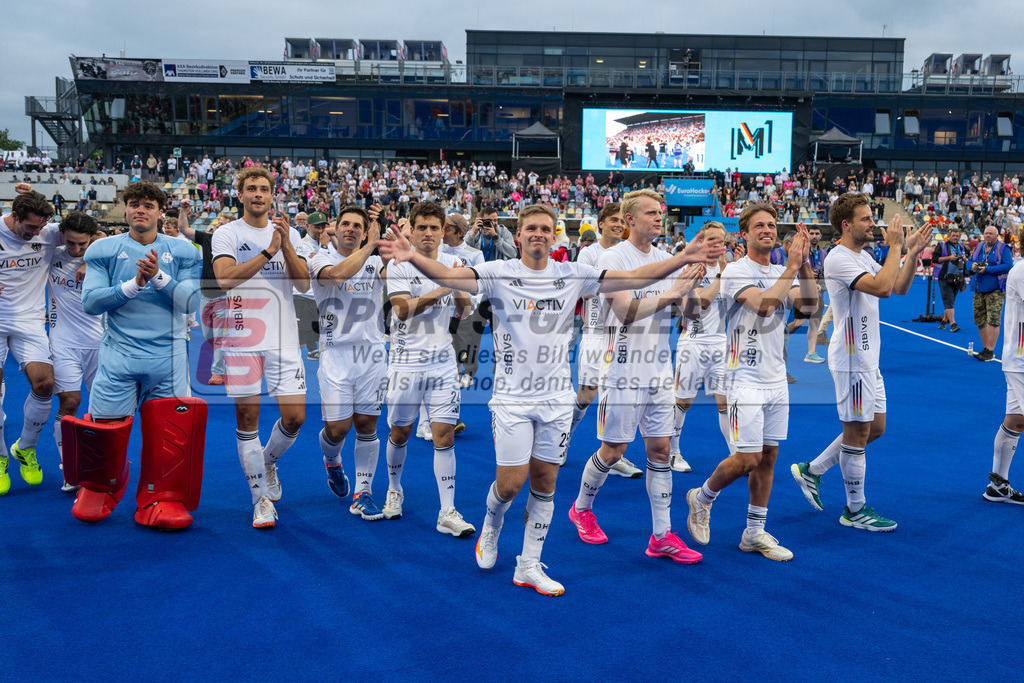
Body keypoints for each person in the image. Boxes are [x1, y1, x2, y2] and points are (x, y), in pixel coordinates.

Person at [376, 202, 723, 595]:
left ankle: (528, 564)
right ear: (519, 235)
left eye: (545, 228)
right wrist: (412, 258)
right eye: (531, 228)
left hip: (557, 399)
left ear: (554, 235)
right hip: (511, 400)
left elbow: (633, 277)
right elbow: (450, 276)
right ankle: (491, 525)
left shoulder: (572, 273)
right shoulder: (499, 271)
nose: (538, 234)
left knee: (545, 483)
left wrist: (682, 258)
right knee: (510, 485)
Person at [568, 189, 709, 564]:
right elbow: (626, 312)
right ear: (630, 219)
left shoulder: (665, 259)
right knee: (613, 452)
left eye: (660, 212)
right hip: (623, 369)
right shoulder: (613, 258)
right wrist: (674, 290)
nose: (659, 217)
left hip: (660, 370)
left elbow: (691, 313)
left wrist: (691, 287)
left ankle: (661, 535)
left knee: (661, 450)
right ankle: (581, 508)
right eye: (651, 213)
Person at [685, 203, 818, 562]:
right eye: (759, 225)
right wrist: (792, 267)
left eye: (771, 225)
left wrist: (804, 264)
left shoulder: (782, 270)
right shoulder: (735, 271)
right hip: (742, 376)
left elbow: (809, 306)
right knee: (746, 459)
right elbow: (764, 305)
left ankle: (754, 532)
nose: (767, 230)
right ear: (743, 234)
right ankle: (702, 497)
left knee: (769, 458)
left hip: (776, 378)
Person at [791, 193, 931, 532]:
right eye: (866, 218)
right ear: (846, 224)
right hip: (852, 358)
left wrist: (911, 252)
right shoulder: (839, 258)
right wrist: (895, 245)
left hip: (867, 358)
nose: (873, 223)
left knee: (875, 428)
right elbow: (882, 289)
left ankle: (812, 470)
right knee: (857, 433)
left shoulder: (863, 255)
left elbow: (898, 286)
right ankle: (854, 510)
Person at [74, 181, 204, 529]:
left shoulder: (184, 251)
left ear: (161, 212)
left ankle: (161, 496)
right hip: (119, 354)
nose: (140, 210)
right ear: (127, 209)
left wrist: (158, 277)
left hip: (168, 357)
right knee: (105, 426)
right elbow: (90, 303)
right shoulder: (103, 248)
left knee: (169, 433)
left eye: (148, 205)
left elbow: (191, 302)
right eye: (134, 204)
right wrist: (134, 285)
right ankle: (102, 486)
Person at [212, 167, 310, 529]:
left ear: (272, 196)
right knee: (247, 419)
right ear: (240, 195)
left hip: (284, 338)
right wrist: (269, 251)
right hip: (242, 338)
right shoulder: (227, 233)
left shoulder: (289, 233)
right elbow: (225, 279)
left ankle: (268, 461)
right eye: (251, 188)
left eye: (264, 189)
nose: (258, 194)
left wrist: (285, 245)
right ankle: (260, 500)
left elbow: (303, 285)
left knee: (295, 418)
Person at [383, 201, 474, 536]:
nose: (428, 233)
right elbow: (402, 310)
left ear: (443, 231)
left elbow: (464, 311)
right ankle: (394, 489)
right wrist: (444, 287)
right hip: (406, 360)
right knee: (400, 432)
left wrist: (459, 288)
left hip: (442, 361)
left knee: (444, 434)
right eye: (421, 227)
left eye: (435, 228)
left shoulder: (452, 263)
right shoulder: (399, 265)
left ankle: (447, 511)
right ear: (412, 229)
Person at [308, 204, 389, 519]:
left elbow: (396, 274)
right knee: (338, 429)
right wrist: (371, 246)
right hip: (336, 355)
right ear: (335, 227)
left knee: (367, 424)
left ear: (364, 231)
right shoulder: (320, 258)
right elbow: (336, 276)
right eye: (346, 224)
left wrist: (394, 244)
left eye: (358, 225)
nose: (351, 229)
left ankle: (363, 492)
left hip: (372, 354)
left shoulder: (376, 263)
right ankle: (332, 462)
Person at [563, 203, 640, 478]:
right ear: (601, 224)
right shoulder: (590, 252)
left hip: (622, 335)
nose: (619, 225)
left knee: (616, 395)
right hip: (595, 334)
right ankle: (563, 438)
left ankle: (612, 455)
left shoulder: (627, 253)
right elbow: (583, 290)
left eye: (622, 221)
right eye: (613, 220)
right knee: (586, 396)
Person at [0, 190, 58, 496]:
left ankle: (25, 447)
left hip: (30, 320)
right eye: (31, 226)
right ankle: (0, 457)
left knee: (45, 383)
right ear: (14, 216)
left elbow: (94, 236)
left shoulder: (49, 233)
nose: (36, 232)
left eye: (41, 226)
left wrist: (88, 258)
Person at [668, 221, 734, 473]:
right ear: (702, 241)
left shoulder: (729, 268)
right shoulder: (693, 267)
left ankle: (736, 455)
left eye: (721, 241)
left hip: (720, 343)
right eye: (712, 240)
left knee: (725, 402)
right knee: (684, 401)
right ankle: (673, 453)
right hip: (693, 342)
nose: (717, 245)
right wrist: (722, 275)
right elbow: (702, 303)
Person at [48, 212, 103, 492]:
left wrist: (88, 259)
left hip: (100, 343)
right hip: (63, 342)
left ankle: (99, 463)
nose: (76, 248)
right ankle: (70, 467)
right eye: (71, 243)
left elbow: (110, 238)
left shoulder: (102, 256)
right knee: (70, 403)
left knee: (102, 408)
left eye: (83, 244)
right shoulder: (52, 254)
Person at [984, 257, 1024, 504]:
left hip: (1019, 360)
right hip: (1021, 360)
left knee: (1016, 421)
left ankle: (997, 485)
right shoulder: (1022, 270)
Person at [967, 225, 1013, 361]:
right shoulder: (979, 246)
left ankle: (991, 351)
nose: (988, 236)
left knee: (993, 320)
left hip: (995, 290)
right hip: (978, 288)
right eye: (986, 233)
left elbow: (1008, 266)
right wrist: (971, 265)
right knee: (980, 319)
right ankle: (985, 348)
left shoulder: (1003, 248)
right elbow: (969, 262)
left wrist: (988, 270)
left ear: (996, 235)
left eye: (991, 234)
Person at [787, 224, 827, 364]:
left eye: (817, 234)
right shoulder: (801, 250)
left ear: (821, 236)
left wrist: (820, 283)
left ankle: (811, 353)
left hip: (818, 293)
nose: (814, 236)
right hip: (801, 291)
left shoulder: (824, 254)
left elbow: (826, 272)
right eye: (812, 233)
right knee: (799, 322)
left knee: (814, 323)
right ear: (808, 235)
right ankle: (777, 338)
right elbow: (794, 268)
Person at [294, 212, 327, 361]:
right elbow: (316, 268)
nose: (320, 230)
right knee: (299, 340)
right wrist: (323, 253)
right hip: (304, 297)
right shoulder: (302, 245)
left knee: (324, 336)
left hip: (321, 298)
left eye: (323, 227)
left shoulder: (327, 242)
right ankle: (289, 368)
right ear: (307, 226)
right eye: (316, 227)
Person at [933, 227, 967, 332]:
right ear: (949, 236)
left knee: (951, 301)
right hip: (945, 278)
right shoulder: (941, 245)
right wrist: (949, 258)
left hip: (958, 278)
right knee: (949, 301)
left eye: (957, 236)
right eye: (953, 236)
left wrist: (965, 259)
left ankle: (944, 322)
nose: (955, 237)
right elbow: (934, 259)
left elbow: (967, 259)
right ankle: (953, 324)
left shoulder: (961, 246)